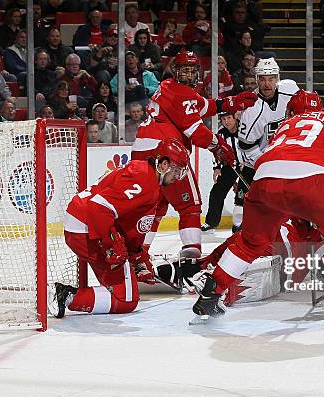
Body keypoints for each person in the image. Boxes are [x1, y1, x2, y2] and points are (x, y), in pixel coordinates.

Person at [192, 91, 324, 327]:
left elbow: (281, 167)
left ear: (290, 112)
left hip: (263, 180)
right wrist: (322, 213)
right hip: (310, 180)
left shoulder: (284, 125)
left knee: (250, 243)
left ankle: (212, 292)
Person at [48, 131, 191, 318]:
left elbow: (129, 227)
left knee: (124, 293)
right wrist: (111, 245)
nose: (178, 177)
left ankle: (69, 295)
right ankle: (65, 296)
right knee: (126, 300)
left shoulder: (147, 178)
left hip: (86, 226)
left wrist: (139, 261)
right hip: (89, 228)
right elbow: (98, 207)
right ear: (164, 165)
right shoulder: (143, 178)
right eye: (177, 171)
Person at [131, 49, 257, 257]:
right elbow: (196, 132)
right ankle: (192, 253)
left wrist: (229, 102)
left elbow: (203, 106)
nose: (189, 75)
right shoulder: (179, 92)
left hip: (142, 153)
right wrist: (220, 146)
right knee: (189, 205)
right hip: (165, 152)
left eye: (192, 71)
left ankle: (138, 254)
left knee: (154, 207)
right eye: (184, 71)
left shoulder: (171, 89)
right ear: (175, 71)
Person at [234, 57, 300, 231]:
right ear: (256, 80)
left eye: (271, 78)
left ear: (277, 78)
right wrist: (268, 164)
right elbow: (246, 147)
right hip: (259, 159)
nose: (266, 84)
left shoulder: (291, 89)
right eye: (262, 79)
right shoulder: (251, 109)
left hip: (288, 156)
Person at [201, 112, 244, 232]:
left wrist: (247, 161)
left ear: (235, 118)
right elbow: (216, 152)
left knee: (243, 194)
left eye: (229, 118)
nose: (227, 121)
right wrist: (217, 168)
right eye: (224, 119)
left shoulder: (244, 129)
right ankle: (211, 222)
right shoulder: (221, 133)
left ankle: (242, 223)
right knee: (216, 192)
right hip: (229, 166)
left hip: (246, 166)